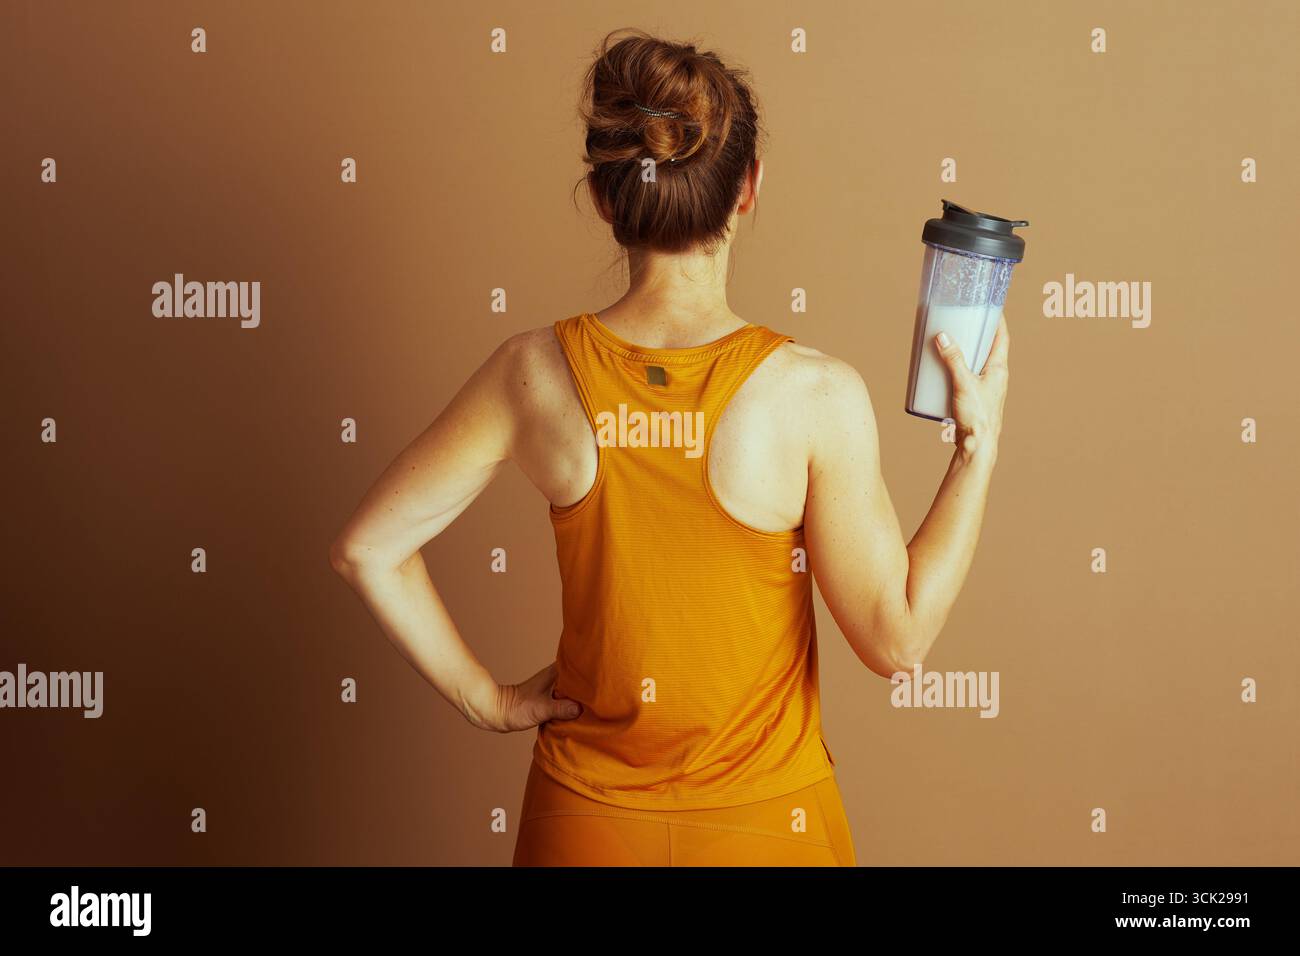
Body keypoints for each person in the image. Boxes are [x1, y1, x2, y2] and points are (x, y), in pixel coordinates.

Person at [329, 28, 1009, 867]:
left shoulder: (531, 375)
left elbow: (369, 550)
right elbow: (896, 640)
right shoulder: (815, 395)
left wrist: (489, 699)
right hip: (770, 832)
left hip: (583, 828)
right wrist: (976, 448)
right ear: (749, 189)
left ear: (607, 199)